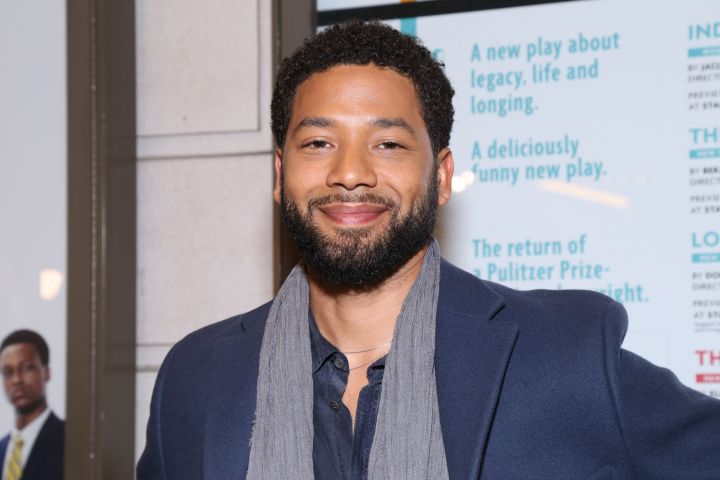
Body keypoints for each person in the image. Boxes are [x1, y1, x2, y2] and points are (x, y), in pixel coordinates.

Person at [138, 21, 720, 479]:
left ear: (441, 177)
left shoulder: (566, 355)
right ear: (280, 171)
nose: (350, 173)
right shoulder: (195, 378)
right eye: (319, 142)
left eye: (387, 143)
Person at [0, 330, 64, 480]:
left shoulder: (69, 441)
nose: (16, 380)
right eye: (8, 372)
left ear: (47, 372)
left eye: (27, 368)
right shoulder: (2, 449)